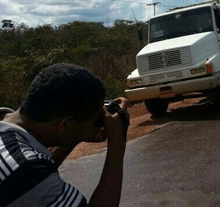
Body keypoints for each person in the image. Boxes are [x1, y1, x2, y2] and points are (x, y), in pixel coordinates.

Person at [0, 63, 130, 207]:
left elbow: (30, 182)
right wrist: (117, 141)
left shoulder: (14, 148)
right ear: (65, 124)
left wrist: (75, 135)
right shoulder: (27, 169)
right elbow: (32, 176)